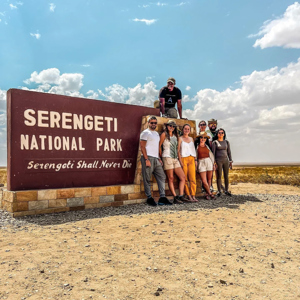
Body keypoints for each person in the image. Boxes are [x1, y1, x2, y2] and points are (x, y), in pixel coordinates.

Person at [140, 116, 172, 206]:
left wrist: (158, 158)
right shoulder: (145, 133)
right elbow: (142, 147)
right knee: (147, 179)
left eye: (155, 123)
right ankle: (149, 198)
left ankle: (162, 197)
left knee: (162, 176)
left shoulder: (157, 134)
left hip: (156, 158)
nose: (153, 124)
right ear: (148, 123)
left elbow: (156, 147)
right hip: (148, 157)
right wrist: (146, 159)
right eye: (152, 123)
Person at [159, 120, 186, 204]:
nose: (171, 127)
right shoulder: (164, 134)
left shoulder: (175, 136)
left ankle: (181, 195)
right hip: (167, 157)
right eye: (170, 125)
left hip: (175, 158)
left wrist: (179, 159)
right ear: (167, 126)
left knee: (182, 177)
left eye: (173, 126)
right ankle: (175, 197)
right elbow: (159, 146)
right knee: (170, 178)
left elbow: (177, 149)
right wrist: (160, 157)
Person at [178, 124, 198, 202]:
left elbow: (193, 149)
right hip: (184, 158)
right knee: (185, 178)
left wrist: (195, 160)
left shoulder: (191, 139)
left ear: (190, 130)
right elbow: (178, 151)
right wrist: (180, 161)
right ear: (183, 130)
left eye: (188, 129)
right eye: (185, 129)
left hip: (192, 158)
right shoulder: (180, 139)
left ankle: (193, 195)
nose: (186, 130)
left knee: (193, 178)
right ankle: (188, 195)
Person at [212, 128, 233, 197]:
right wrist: (214, 162)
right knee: (219, 176)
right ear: (217, 134)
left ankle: (226, 190)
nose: (221, 134)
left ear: (224, 134)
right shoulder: (215, 142)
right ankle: (219, 191)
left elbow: (229, 152)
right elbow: (213, 153)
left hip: (226, 160)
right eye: (219, 133)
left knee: (226, 175)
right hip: (218, 160)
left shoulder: (226, 142)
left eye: (222, 133)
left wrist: (230, 160)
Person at [195, 131, 216, 200]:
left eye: (204, 137)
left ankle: (207, 194)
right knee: (204, 180)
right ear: (199, 138)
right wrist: (196, 165)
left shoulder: (207, 146)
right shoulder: (197, 147)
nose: (203, 139)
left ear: (206, 139)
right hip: (201, 162)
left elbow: (211, 156)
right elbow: (196, 157)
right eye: (201, 137)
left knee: (209, 179)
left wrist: (213, 164)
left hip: (209, 162)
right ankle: (210, 193)